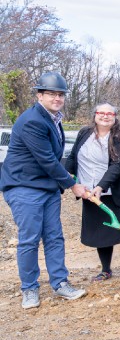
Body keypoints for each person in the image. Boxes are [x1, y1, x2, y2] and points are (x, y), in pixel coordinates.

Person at [0, 71, 88, 309]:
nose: (57, 98)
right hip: (24, 186)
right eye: (51, 94)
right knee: (29, 239)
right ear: (40, 95)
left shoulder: (54, 118)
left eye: (60, 94)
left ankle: (60, 283)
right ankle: (29, 289)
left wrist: (65, 176)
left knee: (54, 237)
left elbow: (55, 158)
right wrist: (72, 185)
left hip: (46, 186)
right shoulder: (33, 121)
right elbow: (47, 160)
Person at [65, 103, 120, 281]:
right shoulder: (84, 133)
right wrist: (69, 176)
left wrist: (101, 186)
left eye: (109, 114)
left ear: (115, 117)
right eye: (101, 113)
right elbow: (73, 156)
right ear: (95, 115)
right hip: (90, 193)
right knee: (101, 232)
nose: (105, 116)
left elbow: (118, 165)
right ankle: (105, 270)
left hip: (119, 192)